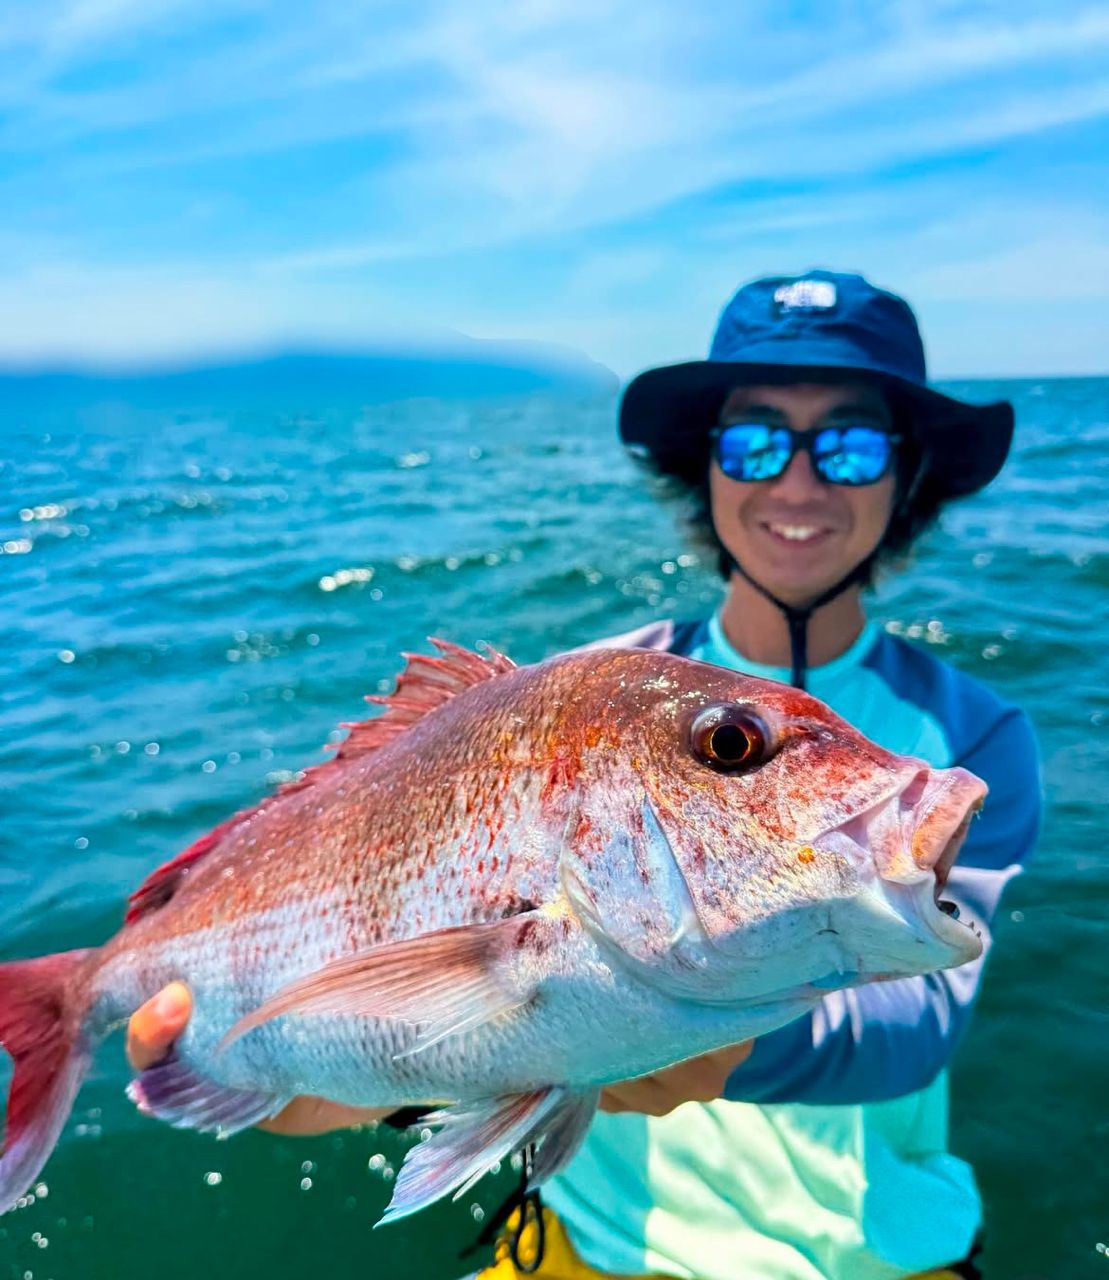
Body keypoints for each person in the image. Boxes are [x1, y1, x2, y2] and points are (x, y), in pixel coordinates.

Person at [127, 271, 1041, 1280]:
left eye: (849, 442)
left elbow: (914, 1024)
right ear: (704, 469)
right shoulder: (588, 694)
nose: (794, 481)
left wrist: (692, 1029)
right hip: (585, 1245)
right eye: (750, 440)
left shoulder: (970, 735)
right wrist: (307, 1074)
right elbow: (398, 1055)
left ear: (906, 474)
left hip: (872, 1253)